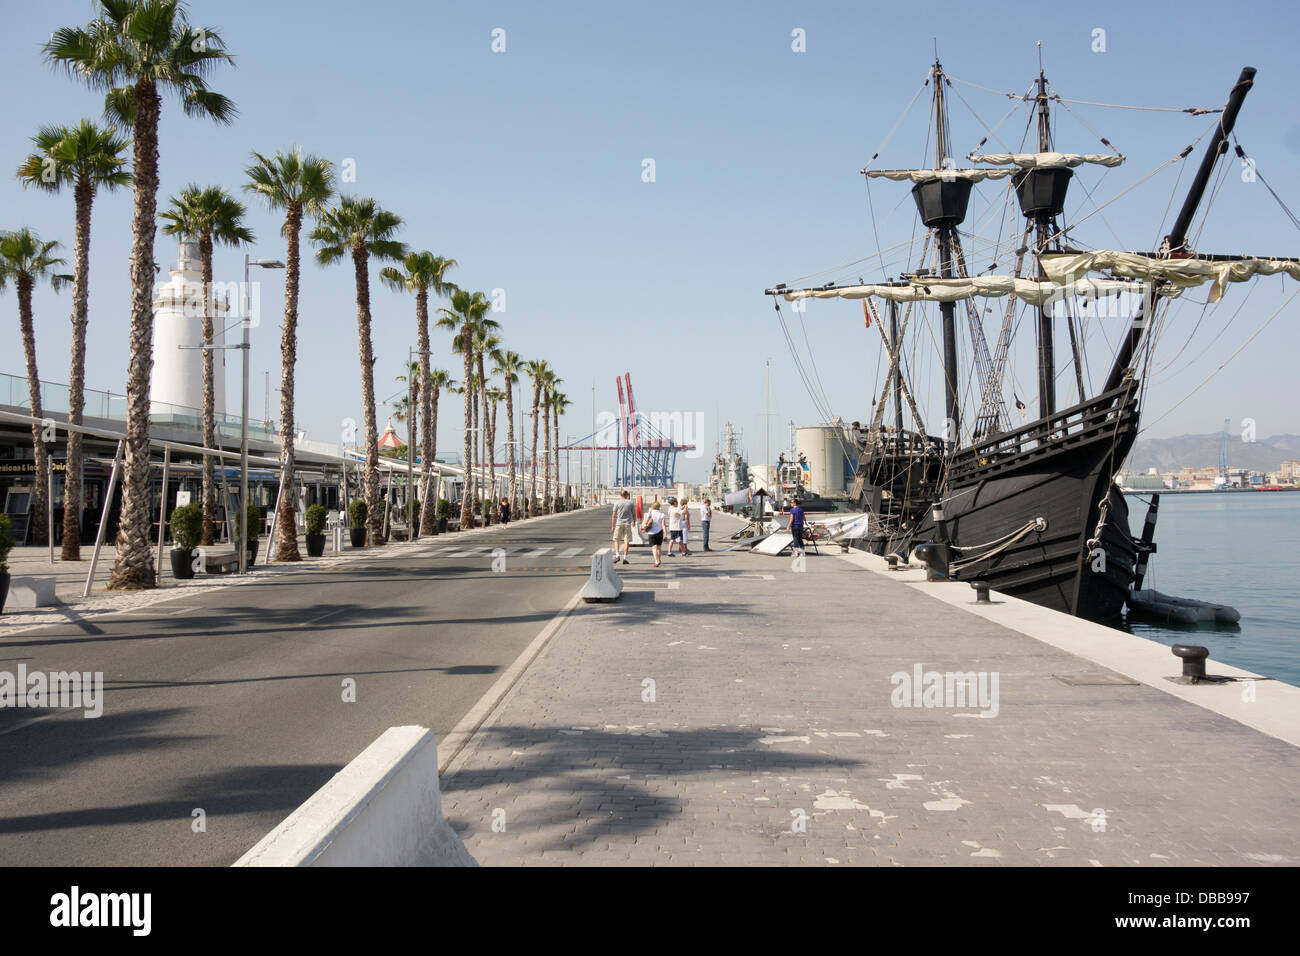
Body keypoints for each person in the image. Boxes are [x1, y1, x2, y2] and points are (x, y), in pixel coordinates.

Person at [610, 489, 635, 565]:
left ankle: (617, 555)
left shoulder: (617, 503)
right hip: (627, 523)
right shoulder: (630, 502)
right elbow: (633, 513)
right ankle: (625, 558)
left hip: (619, 523)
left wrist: (612, 526)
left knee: (616, 539)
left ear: (620, 495)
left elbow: (614, 515)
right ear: (627, 495)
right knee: (626, 541)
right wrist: (634, 521)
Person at [642, 499, 666, 567]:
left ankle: (656, 561)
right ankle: (659, 559)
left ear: (652, 506)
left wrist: (644, 527)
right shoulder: (662, 514)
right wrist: (665, 534)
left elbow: (646, 522)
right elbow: (663, 525)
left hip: (651, 532)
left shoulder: (650, 513)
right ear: (659, 507)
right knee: (659, 547)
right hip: (659, 531)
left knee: (654, 547)